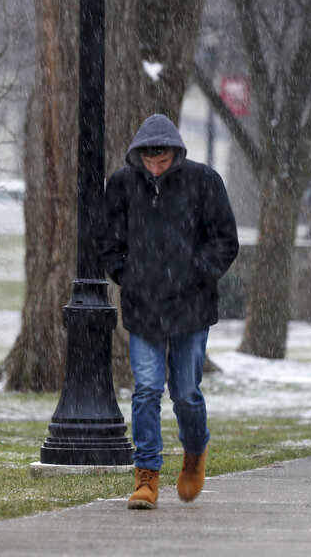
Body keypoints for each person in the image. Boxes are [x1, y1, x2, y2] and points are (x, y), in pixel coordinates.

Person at [99, 114, 239, 509]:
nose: (156, 169)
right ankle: (146, 476)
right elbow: (108, 240)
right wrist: (129, 274)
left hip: (191, 307)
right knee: (145, 389)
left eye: (163, 162)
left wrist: (196, 274)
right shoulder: (122, 185)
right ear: (139, 156)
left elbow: (225, 240)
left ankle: (195, 453)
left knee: (186, 392)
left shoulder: (203, 181)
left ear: (175, 155)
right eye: (149, 162)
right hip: (143, 306)